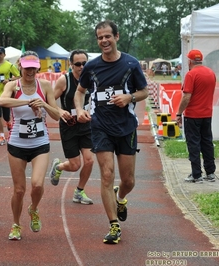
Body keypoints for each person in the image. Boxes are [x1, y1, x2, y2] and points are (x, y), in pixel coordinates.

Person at [74, 20, 148, 244]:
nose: (104, 41)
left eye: (107, 36)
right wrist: (79, 109)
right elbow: (80, 91)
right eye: (100, 37)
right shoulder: (92, 67)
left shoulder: (131, 64)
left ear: (117, 37)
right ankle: (114, 226)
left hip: (126, 127)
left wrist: (129, 97)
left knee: (129, 180)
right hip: (100, 126)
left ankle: (121, 197)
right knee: (106, 175)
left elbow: (143, 91)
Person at [0, 51, 60, 241]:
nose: (30, 71)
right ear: (20, 67)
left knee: (37, 184)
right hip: (17, 142)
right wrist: (28, 101)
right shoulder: (12, 85)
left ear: (38, 67)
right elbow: (3, 101)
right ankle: (16, 224)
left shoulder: (45, 86)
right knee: (19, 190)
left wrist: (43, 104)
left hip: (39, 142)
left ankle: (33, 209)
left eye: (33, 67)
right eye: (26, 68)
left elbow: (57, 115)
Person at [49, 49, 94, 205]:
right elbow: (50, 100)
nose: (82, 67)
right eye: (78, 64)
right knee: (75, 165)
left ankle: (79, 192)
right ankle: (59, 166)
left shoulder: (92, 79)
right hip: (69, 126)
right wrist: (61, 111)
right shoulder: (64, 80)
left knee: (89, 161)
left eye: (84, 63)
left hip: (86, 125)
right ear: (71, 64)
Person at [176, 49, 217, 183]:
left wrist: (179, 113)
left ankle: (196, 174)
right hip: (207, 114)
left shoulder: (191, 74)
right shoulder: (211, 73)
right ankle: (210, 172)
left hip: (193, 115)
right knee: (207, 143)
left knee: (193, 144)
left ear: (189, 61)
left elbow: (187, 96)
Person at [0, 46, 21, 145]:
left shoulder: (10, 65)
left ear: (4, 55)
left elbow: (19, 76)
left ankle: (8, 122)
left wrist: (9, 80)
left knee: (6, 116)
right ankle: (2, 137)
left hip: (6, 93)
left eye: (0, 54)